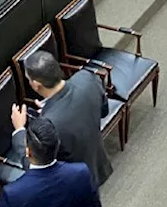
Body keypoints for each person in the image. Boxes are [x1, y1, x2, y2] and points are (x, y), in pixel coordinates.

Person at [11, 50, 111, 187]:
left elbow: (35, 166)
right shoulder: (87, 78)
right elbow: (103, 111)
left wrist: (19, 130)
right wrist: (48, 109)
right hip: (98, 164)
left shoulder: (49, 124)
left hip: (72, 187)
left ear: (35, 84)